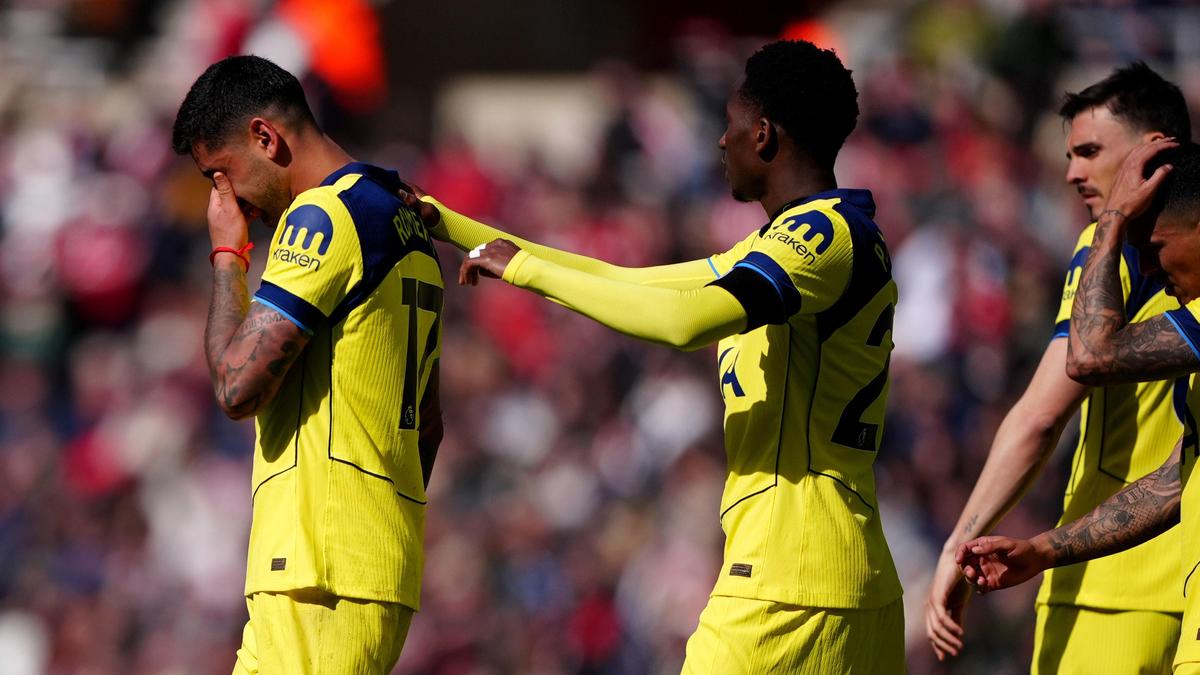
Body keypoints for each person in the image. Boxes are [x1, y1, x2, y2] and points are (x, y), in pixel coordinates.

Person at [421, 39, 904, 674]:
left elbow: (681, 320)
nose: (720, 143)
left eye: (728, 127)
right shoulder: (792, 241)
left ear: (762, 135)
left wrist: (529, 269)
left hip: (788, 586)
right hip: (846, 581)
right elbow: (634, 281)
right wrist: (448, 223)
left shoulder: (818, 238)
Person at [171, 55, 444, 673]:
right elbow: (427, 424)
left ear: (265, 137)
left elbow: (236, 387)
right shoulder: (401, 217)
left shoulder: (323, 217)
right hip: (343, 569)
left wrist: (227, 257)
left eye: (220, 175)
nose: (223, 198)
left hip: (320, 572)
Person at [924, 63, 1191, 673]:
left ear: (1154, 149)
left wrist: (958, 541)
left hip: (1112, 589)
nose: (1072, 172)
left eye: (1090, 152)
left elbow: (1040, 417)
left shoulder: (1113, 247)